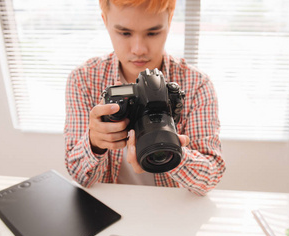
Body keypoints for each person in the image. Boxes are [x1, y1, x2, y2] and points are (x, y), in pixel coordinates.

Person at [64, 0, 225, 196]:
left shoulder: (195, 84)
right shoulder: (84, 80)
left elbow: (210, 178)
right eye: (125, 33)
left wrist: (170, 150)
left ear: (170, 20)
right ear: (105, 21)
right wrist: (95, 143)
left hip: (171, 208)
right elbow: (80, 176)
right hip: (109, 207)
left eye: (152, 33)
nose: (138, 49)